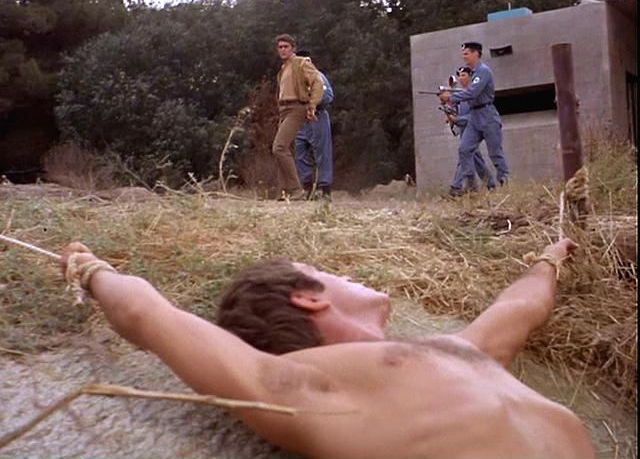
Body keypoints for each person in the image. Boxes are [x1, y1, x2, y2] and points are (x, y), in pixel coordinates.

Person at [59, 237, 595, 459]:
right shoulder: (313, 387)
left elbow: (519, 308)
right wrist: (91, 269)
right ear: (308, 297)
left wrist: (549, 259)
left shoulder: (455, 350)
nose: (348, 274)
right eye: (324, 271)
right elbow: (151, 317)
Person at [439, 42, 509, 193]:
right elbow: (467, 92)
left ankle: (505, 183)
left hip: (487, 115)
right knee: (464, 149)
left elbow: (472, 93)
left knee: (495, 154)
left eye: (466, 53)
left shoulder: (483, 71)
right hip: (474, 117)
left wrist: (450, 97)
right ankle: (470, 185)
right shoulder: (474, 73)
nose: (464, 57)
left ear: (476, 53)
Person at [272, 34, 324, 201]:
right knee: (281, 149)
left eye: (286, 46)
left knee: (279, 147)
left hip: (296, 108)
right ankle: (284, 192)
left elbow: (317, 83)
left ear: (293, 48)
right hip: (284, 109)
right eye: (280, 47)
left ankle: (296, 190)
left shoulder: (301, 63)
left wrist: (312, 105)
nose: (282, 50)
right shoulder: (283, 69)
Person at [447, 66, 496, 196]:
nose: (461, 78)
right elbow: (456, 110)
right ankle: (490, 184)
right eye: (459, 76)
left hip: (472, 132)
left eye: (464, 75)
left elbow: (474, 116)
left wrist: (458, 119)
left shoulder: (474, 94)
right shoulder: (461, 95)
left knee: (463, 157)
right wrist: (450, 115)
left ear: (470, 77)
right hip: (464, 132)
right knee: (477, 161)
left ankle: (456, 187)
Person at [293, 50, 334, 201]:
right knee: (300, 153)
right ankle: (307, 188)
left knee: (322, 153)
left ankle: (325, 189)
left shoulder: (318, 77)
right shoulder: (294, 79)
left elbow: (328, 96)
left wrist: (313, 101)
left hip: (318, 117)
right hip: (299, 119)